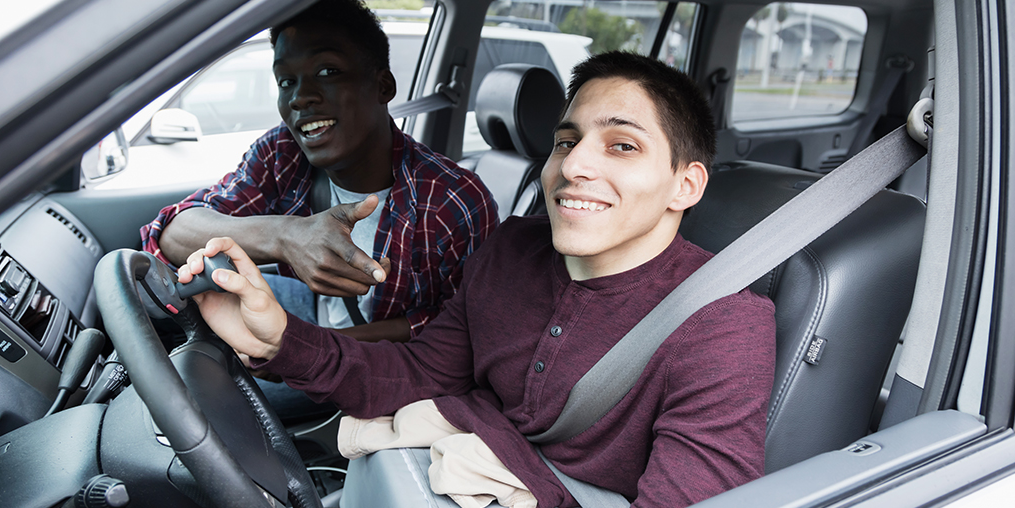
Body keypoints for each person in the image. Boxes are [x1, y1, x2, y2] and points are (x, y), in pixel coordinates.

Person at [180, 52, 776, 508]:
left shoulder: (723, 325)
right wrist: (277, 338)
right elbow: (417, 374)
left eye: (621, 145)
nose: (574, 166)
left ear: (685, 186)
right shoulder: (512, 249)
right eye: (566, 142)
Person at [140, 0, 498, 345]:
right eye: (285, 82)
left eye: (327, 71)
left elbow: (463, 328)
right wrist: (286, 237)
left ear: (383, 86)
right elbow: (172, 231)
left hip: (384, 365)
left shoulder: (454, 199)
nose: (300, 97)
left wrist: (308, 348)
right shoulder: (283, 152)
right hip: (304, 318)